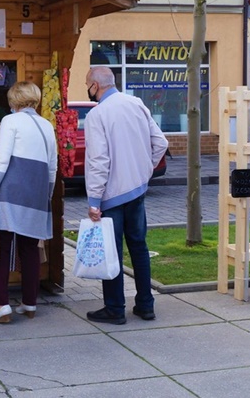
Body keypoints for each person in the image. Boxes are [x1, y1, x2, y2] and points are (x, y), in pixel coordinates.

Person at [83, 66, 168, 325]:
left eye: (87, 84)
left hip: (111, 194)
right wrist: (145, 171)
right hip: (137, 190)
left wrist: (94, 200)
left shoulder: (97, 115)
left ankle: (114, 309)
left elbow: (98, 160)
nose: (87, 89)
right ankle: (145, 305)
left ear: (95, 86)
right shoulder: (136, 103)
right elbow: (161, 143)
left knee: (113, 251)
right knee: (139, 247)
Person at [0, 81, 58, 324]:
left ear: (14, 100)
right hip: (37, 194)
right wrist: (46, 195)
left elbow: (1, 161)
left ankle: (0, 305)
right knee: (29, 249)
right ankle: (29, 303)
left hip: (10, 194)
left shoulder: (10, 121)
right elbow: (53, 168)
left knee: (0, 249)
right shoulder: (47, 125)